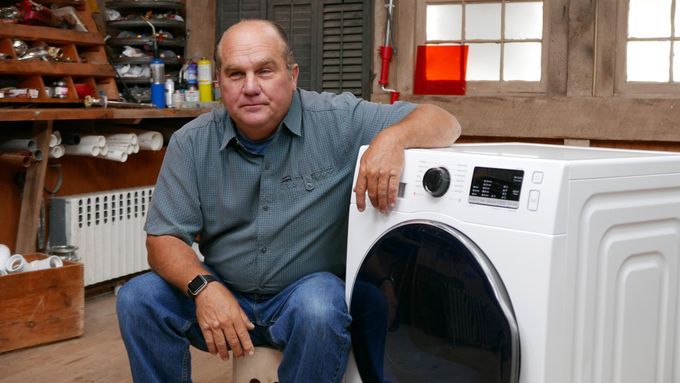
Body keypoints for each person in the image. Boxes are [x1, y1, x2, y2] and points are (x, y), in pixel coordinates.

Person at [116, 19, 461, 383]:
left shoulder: (339, 120)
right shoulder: (191, 143)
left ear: (292, 75)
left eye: (264, 71)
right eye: (236, 74)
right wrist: (205, 288)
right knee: (139, 298)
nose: (250, 87)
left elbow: (446, 121)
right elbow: (162, 239)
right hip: (223, 290)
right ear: (220, 84)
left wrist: (393, 139)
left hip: (301, 299)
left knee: (320, 304)